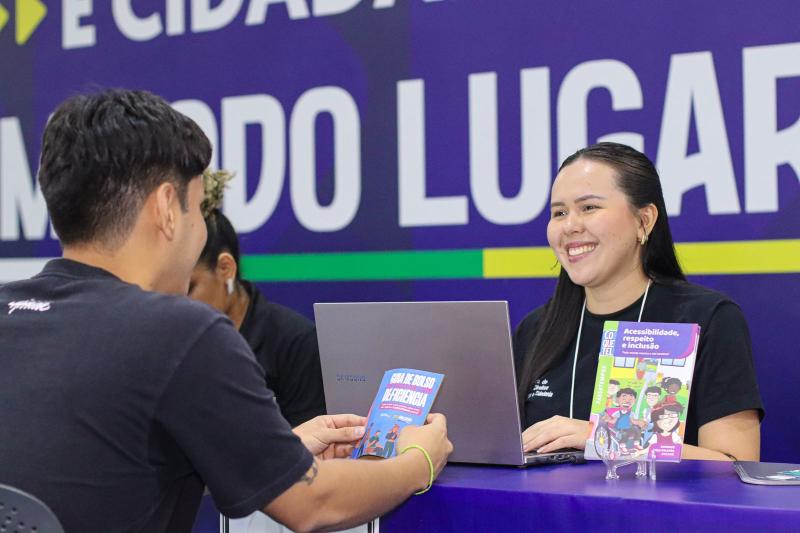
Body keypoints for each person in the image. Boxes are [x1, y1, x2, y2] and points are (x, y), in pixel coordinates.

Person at [0, 89, 452, 533]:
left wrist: (272, 453)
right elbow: (314, 504)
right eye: (197, 208)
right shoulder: (180, 332)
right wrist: (419, 460)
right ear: (166, 210)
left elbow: (101, 476)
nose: (199, 227)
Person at [513, 142, 763, 462]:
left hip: (663, 513)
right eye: (559, 213)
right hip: (548, 512)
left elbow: (737, 464)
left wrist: (599, 437)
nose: (570, 226)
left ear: (644, 220)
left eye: (589, 208)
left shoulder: (707, 318)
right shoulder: (535, 329)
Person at [189, 169, 325, 426]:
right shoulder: (171, 344)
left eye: (189, 288)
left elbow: (315, 454)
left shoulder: (294, 343)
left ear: (226, 268)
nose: (177, 302)